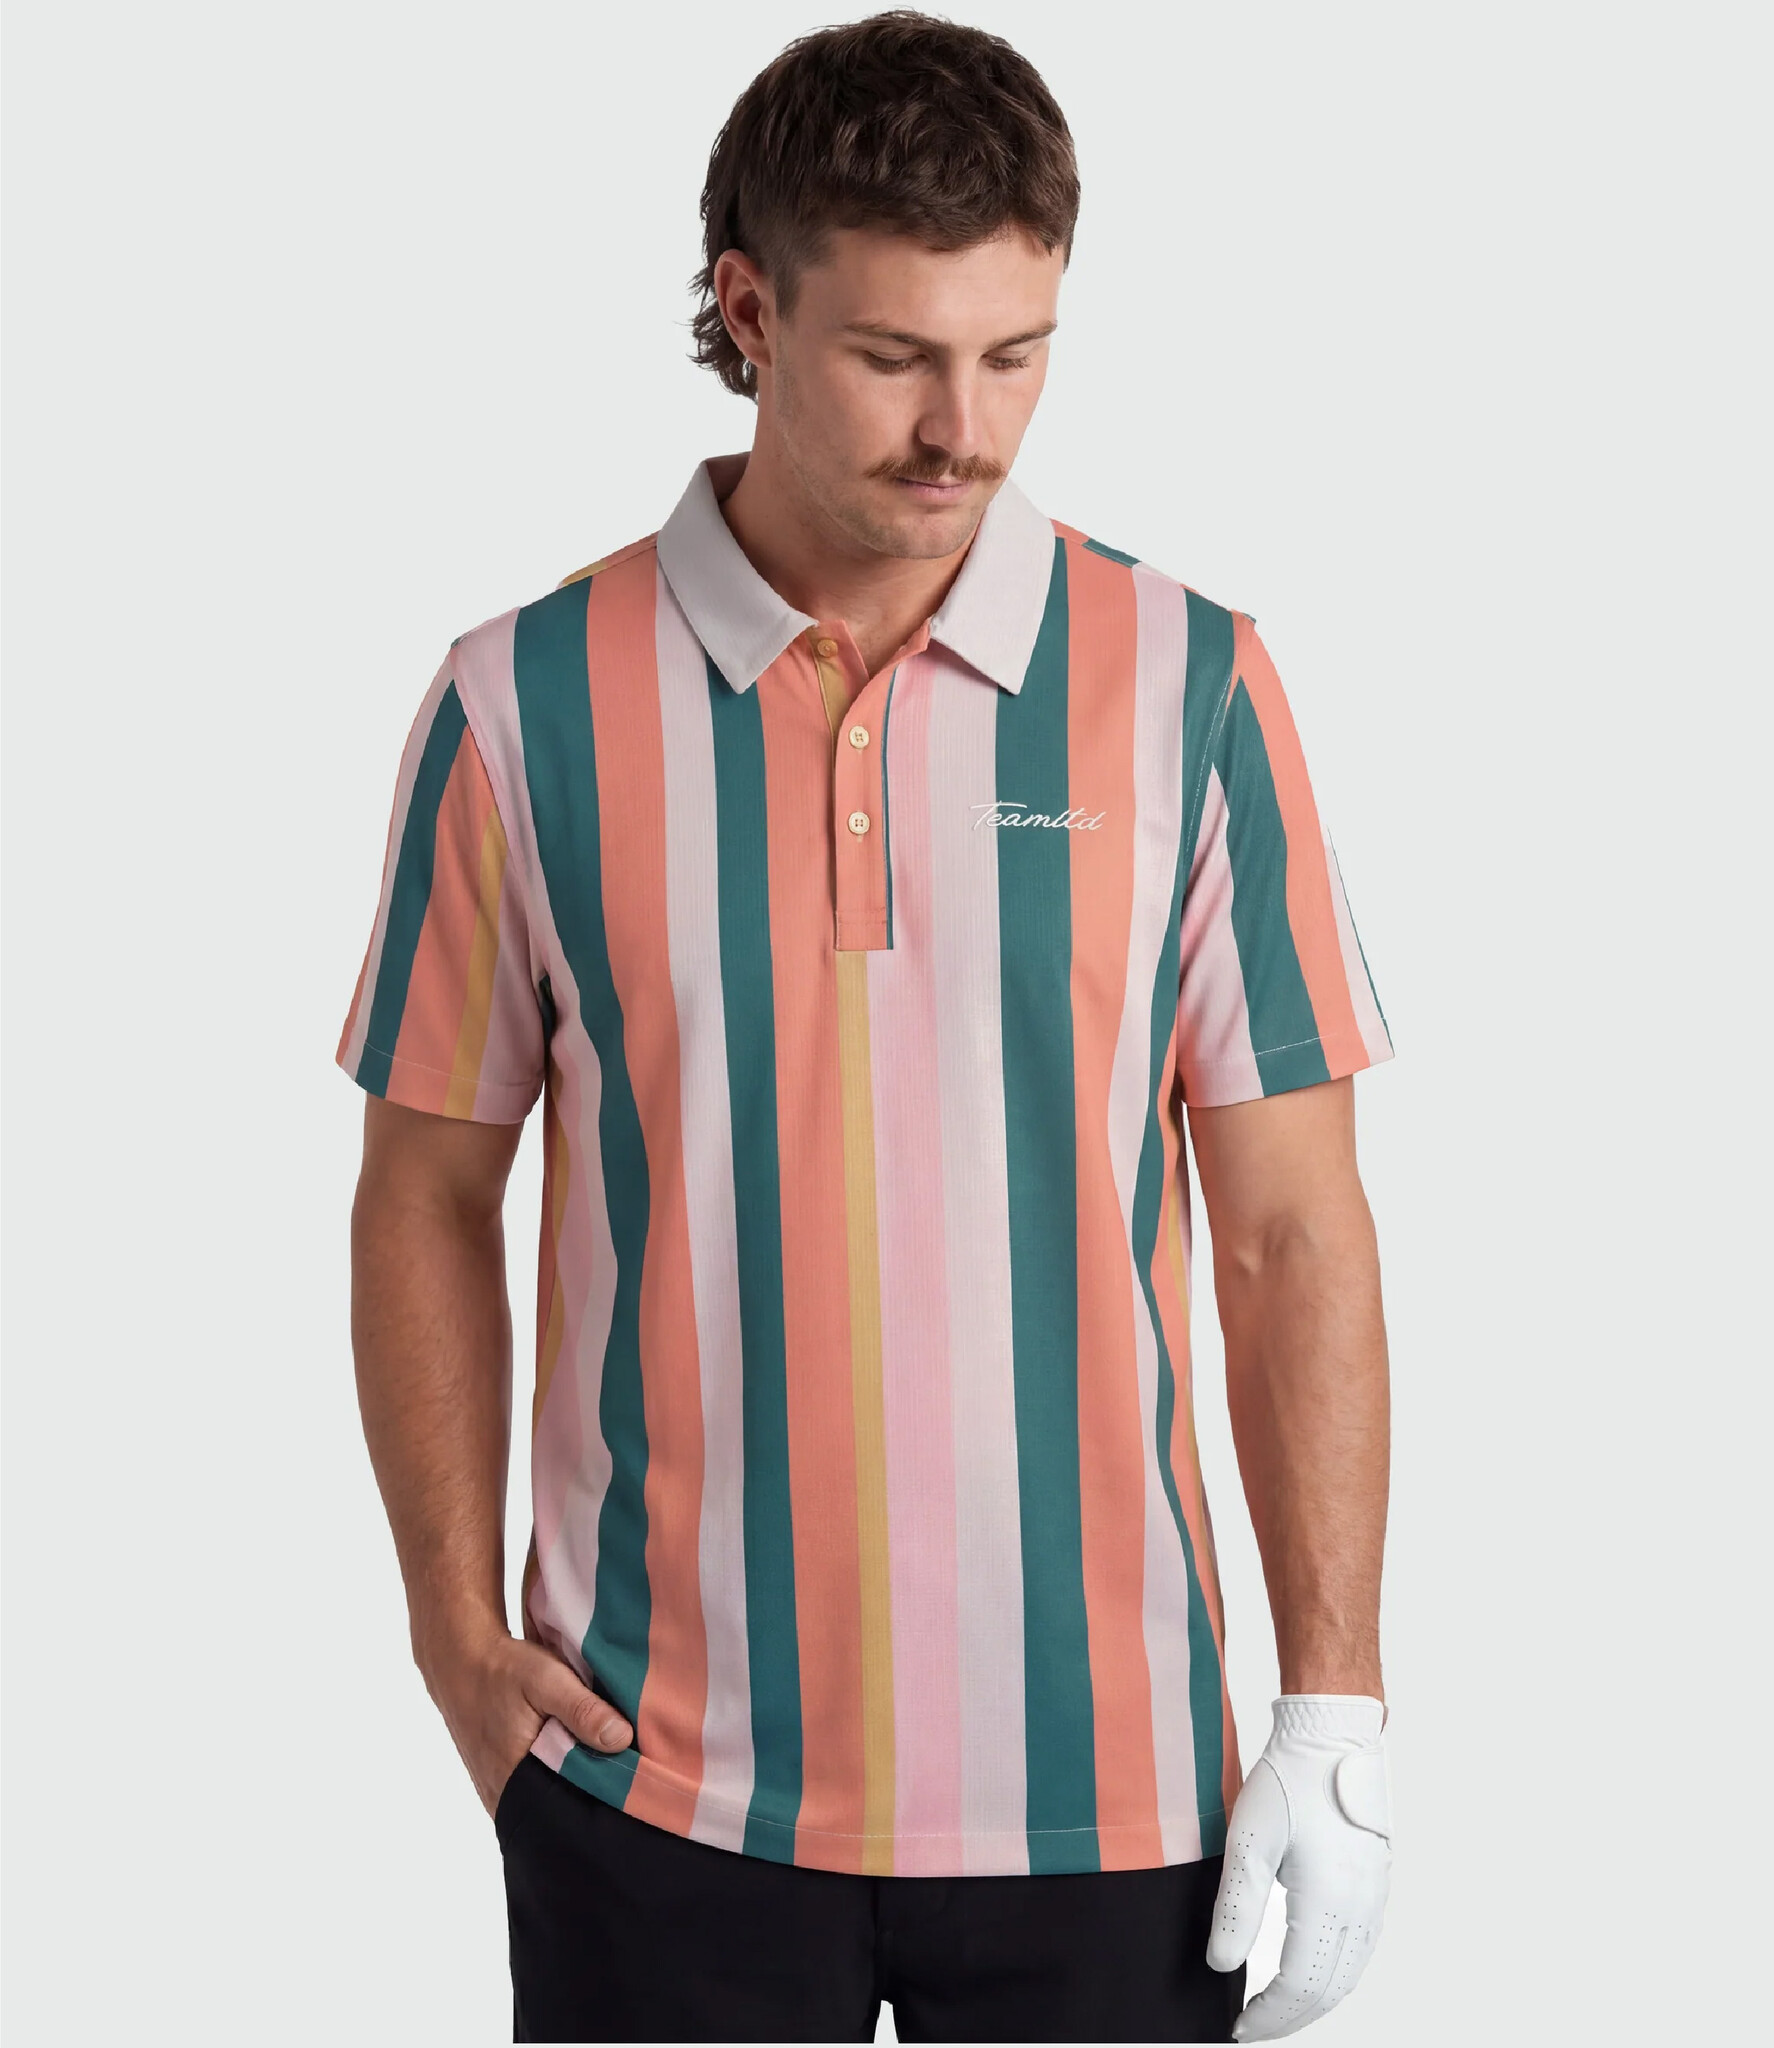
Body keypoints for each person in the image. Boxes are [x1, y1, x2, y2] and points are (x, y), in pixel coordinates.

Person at [336, 11, 1395, 2042]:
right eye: (895, 356)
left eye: (1015, 355)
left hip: (1115, 1799)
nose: (961, 430)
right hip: (651, 1793)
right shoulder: (517, 703)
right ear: (747, 312)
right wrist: (454, 1641)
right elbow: (423, 1190)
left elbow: (1288, 1225)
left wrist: (1331, 1709)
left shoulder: (1191, 685)